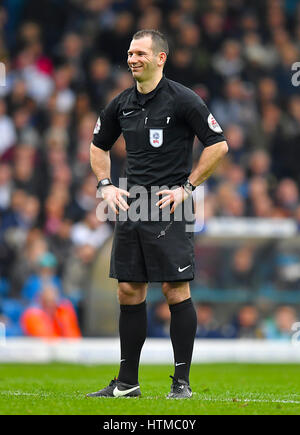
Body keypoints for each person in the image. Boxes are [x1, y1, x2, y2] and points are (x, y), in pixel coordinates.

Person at [88, 29, 228, 399]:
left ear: (160, 58)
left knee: (174, 289)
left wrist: (188, 188)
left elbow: (219, 145)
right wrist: (105, 184)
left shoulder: (184, 100)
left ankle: (181, 383)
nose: (132, 59)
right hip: (133, 205)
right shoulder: (121, 103)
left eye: (140, 53)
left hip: (170, 207)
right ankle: (127, 383)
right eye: (130, 53)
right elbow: (97, 146)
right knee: (128, 290)